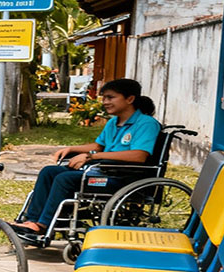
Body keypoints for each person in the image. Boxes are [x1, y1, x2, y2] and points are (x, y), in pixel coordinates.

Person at [12, 78, 160, 237]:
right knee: (49, 172)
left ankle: (43, 225)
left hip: (123, 178)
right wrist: (71, 149)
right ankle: (32, 220)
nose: (105, 102)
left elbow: (139, 156)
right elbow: (98, 146)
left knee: (65, 179)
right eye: (104, 98)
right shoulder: (113, 123)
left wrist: (91, 157)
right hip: (103, 170)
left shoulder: (146, 124)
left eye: (110, 97)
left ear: (130, 99)